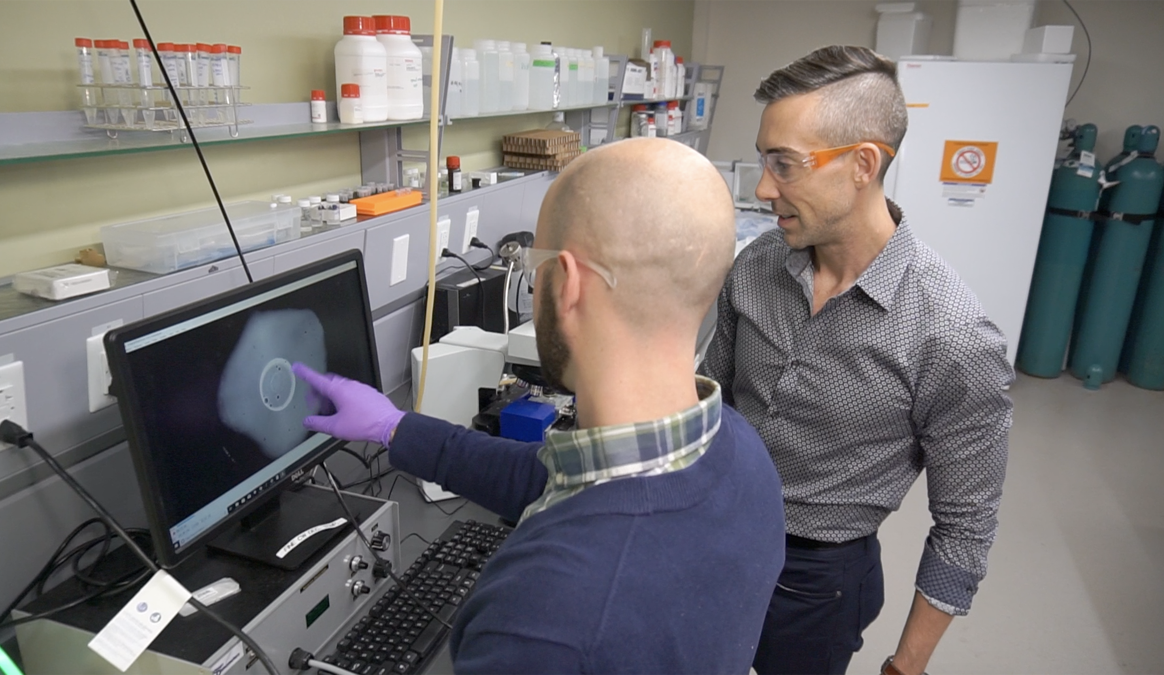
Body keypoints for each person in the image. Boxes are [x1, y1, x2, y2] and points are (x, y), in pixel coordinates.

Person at [295, 138, 786, 675]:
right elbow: (550, 478)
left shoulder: (545, 620)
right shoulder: (742, 453)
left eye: (536, 267)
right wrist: (393, 427)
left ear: (569, 285)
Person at [700, 45, 1014, 675]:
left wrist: (906, 665)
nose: (763, 189)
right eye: (764, 161)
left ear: (862, 164)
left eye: (784, 165)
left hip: (816, 580)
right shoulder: (757, 265)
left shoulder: (950, 336)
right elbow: (714, 402)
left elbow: (965, 526)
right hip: (718, 532)